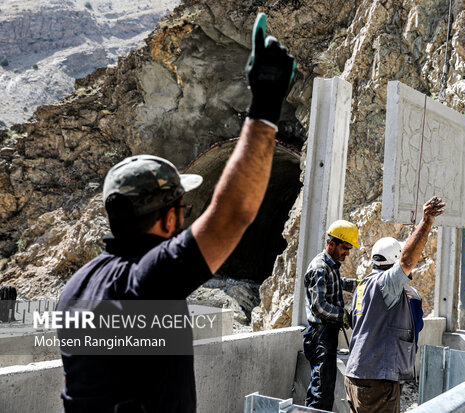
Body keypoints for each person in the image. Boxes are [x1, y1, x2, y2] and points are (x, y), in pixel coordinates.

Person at [56, 13, 295, 413]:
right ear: (167, 218)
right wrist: (265, 106)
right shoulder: (144, 284)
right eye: (182, 210)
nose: (184, 219)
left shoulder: (75, 289)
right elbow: (232, 214)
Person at [344, 196, 445, 413]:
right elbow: (407, 261)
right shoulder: (385, 283)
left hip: (355, 375)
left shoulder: (363, 286)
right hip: (376, 380)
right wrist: (426, 221)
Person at [303, 219, 360, 410]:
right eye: (345, 248)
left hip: (325, 336)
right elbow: (319, 306)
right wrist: (343, 315)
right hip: (319, 336)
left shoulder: (330, 266)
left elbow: (336, 282)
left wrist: (360, 284)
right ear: (331, 244)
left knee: (325, 390)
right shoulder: (319, 268)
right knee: (320, 394)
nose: (347, 253)